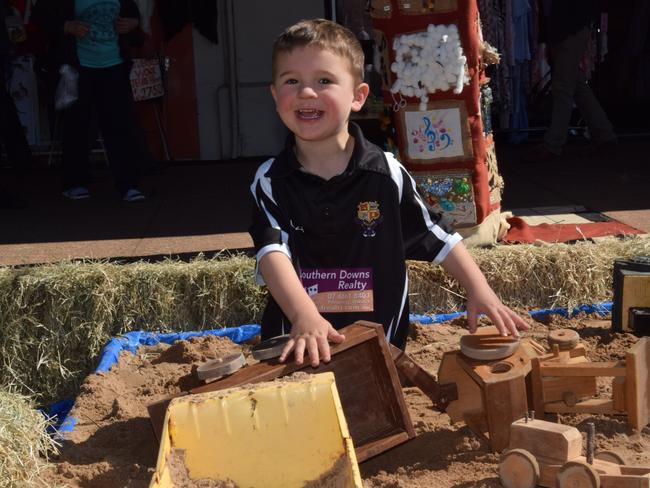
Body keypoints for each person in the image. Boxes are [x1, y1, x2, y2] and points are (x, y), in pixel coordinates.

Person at [249, 19, 530, 368]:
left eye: (324, 80)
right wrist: (304, 317)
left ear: (358, 97)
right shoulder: (270, 180)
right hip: (298, 349)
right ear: (276, 97)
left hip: (379, 350)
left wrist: (479, 289)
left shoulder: (386, 173)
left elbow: (438, 236)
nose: (307, 92)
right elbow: (272, 254)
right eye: (292, 81)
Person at [32, 0, 148, 201]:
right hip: (79, 66)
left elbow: (133, 16)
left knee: (120, 124)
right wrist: (67, 26)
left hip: (114, 63)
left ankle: (128, 184)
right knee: (78, 124)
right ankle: (74, 182)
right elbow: (40, 17)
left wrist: (131, 23)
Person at [532, 0, 617, 160]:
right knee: (575, 84)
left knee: (563, 86)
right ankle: (604, 133)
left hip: (570, 29)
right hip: (562, 30)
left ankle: (553, 143)